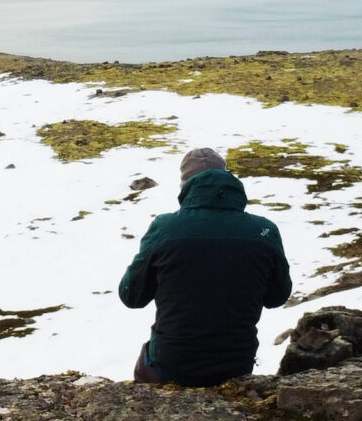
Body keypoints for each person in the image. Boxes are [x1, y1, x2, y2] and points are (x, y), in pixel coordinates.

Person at [119, 147, 292, 386]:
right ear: (229, 182)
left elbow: (131, 296)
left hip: (172, 366)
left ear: (186, 186)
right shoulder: (264, 231)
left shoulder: (165, 228)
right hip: (236, 365)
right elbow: (277, 297)